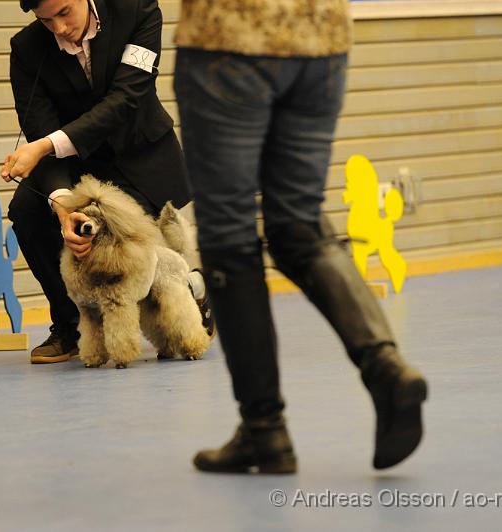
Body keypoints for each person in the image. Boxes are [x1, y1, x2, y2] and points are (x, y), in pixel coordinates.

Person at [173, 0, 428, 473]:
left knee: (228, 234)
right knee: (298, 224)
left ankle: (264, 431)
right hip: (321, 36)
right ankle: (386, 368)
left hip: (229, 37)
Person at [0, 0, 209, 363]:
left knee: (151, 256)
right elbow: (39, 131)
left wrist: (48, 144)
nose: (59, 29)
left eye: (64, 12)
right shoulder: (27, 49)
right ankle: (70, 325)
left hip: (142, 158)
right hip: (77, 165)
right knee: (28, 213)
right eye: (46, 20)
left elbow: (126, 99)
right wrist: (63, 206)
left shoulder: (138, 11)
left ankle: (191, 293)